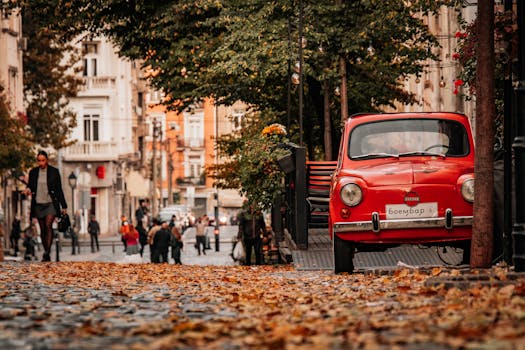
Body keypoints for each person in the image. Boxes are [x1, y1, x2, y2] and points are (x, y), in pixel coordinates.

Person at [24, 150, 68, 262]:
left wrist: (63, 205)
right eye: (39, 161)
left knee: (48, 225)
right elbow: (30, 186)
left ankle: (47, 252)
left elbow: (59, 189)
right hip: (38, 204)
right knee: (43, 229)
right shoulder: (33, 172)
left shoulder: (54, 172)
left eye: (43, 160)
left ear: (47, 160)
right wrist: (28, 190)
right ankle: (46, 251)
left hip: (50, 204)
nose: (41, 163)